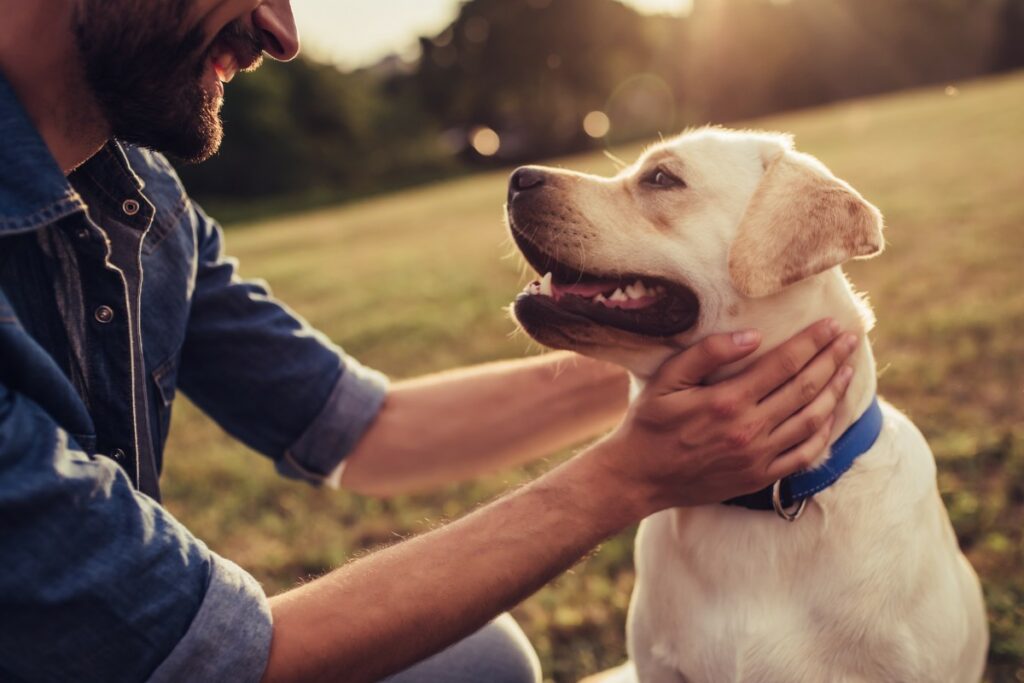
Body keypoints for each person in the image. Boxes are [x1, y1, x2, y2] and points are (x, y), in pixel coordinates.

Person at [0, 1, 859, 681]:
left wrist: (713, 350)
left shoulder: (142, 202)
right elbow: (208, 660)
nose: (284, 32)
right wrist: (626, 475)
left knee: (477, 663)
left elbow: (368, 429)